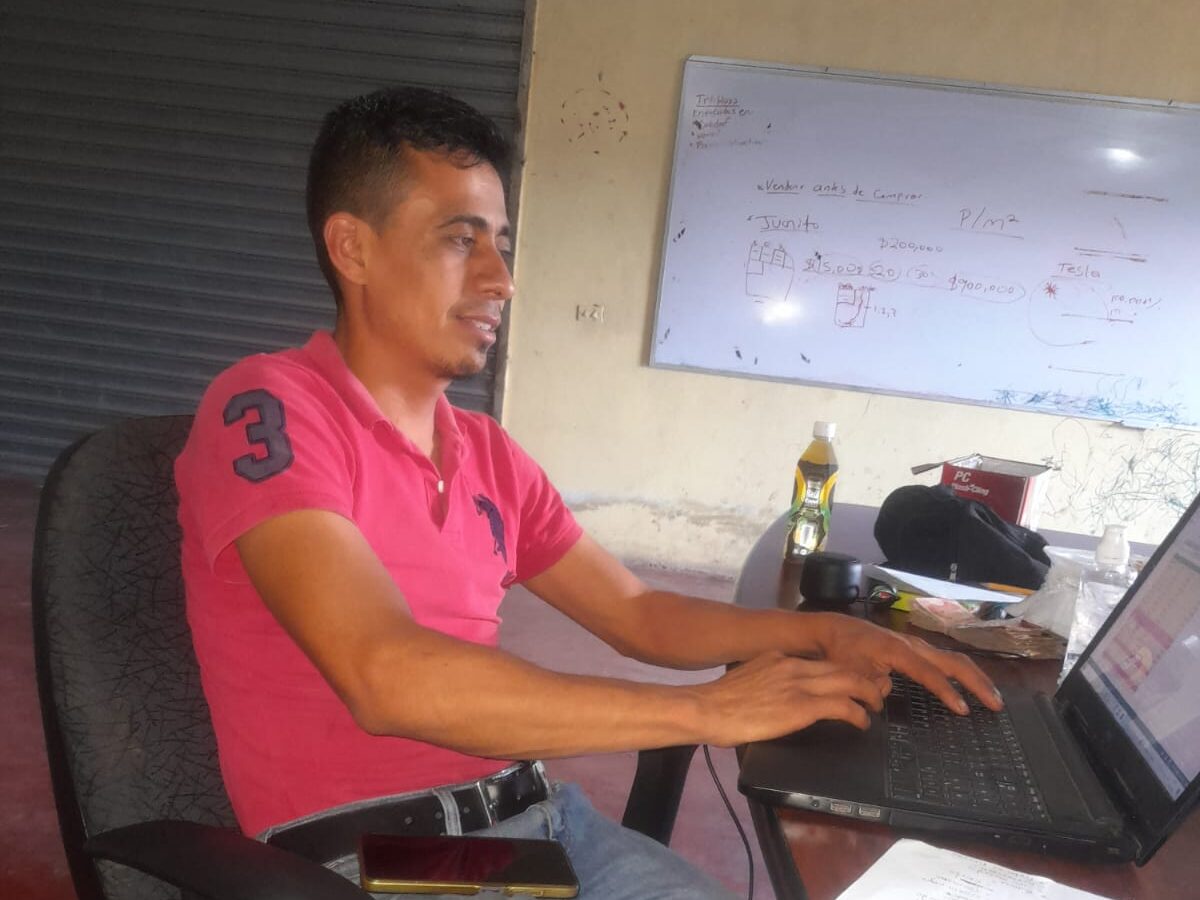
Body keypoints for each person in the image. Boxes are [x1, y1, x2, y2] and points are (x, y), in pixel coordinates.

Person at [175, 86, 1002, 899]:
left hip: (531, 825)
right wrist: (705, 711)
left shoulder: (488, 454)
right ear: (352, 249)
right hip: (374, 859)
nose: (501, 280)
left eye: (501, 244)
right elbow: (383, 675)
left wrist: (820, 632)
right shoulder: (273, 406)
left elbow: (638, 614)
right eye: (461, 240)